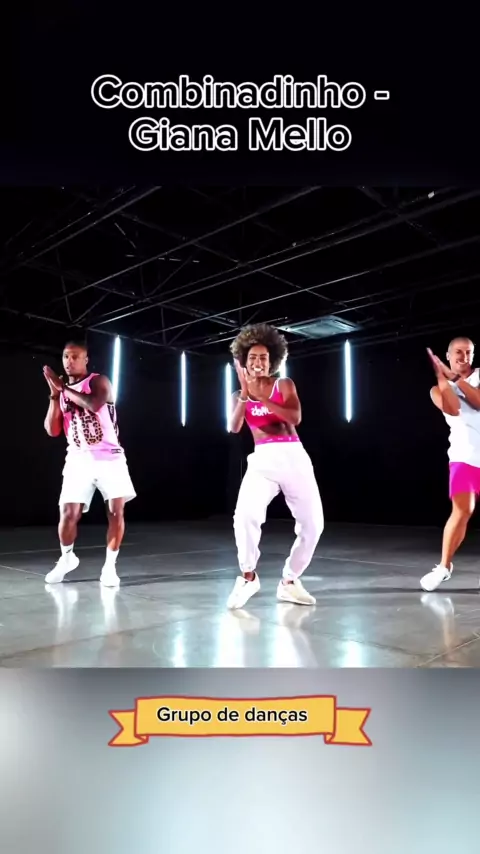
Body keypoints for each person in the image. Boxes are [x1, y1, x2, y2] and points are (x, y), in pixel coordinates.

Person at [226, 323, 324, 610]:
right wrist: (246, 395)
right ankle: (248, 577)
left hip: (293, 456)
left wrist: (261, 397)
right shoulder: (238, 395)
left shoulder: (284, 385)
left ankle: (289, 581)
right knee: (244, 516)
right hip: (262, 459)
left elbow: (294, 417)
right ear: (244, 362)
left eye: (264, 357)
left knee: (313, 525)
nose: (258, 362)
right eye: (253, 357)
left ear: (272, 361)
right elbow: (234, 427)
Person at [43, 339, 136, 587]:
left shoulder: (98, 381)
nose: (70, 361)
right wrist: (54, 395)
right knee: (68, 513)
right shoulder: (61, 391)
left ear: (86, 360)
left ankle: (110, 567)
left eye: (75, 356)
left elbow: (94, 404)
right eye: (66, 356)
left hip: (110, 457)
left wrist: (63, 388)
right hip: (78, 458)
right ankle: (67, 558)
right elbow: (52, 430)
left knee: (115, 511)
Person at [420, 337, 480, 592]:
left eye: (468, 352)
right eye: (458, 352)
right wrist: (445, 380)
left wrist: (455, 379)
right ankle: (444, 567)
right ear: (447, 355)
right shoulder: (437, 390)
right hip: (464, 457)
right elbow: (454, 409)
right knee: (462, 511)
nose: (463, 357)